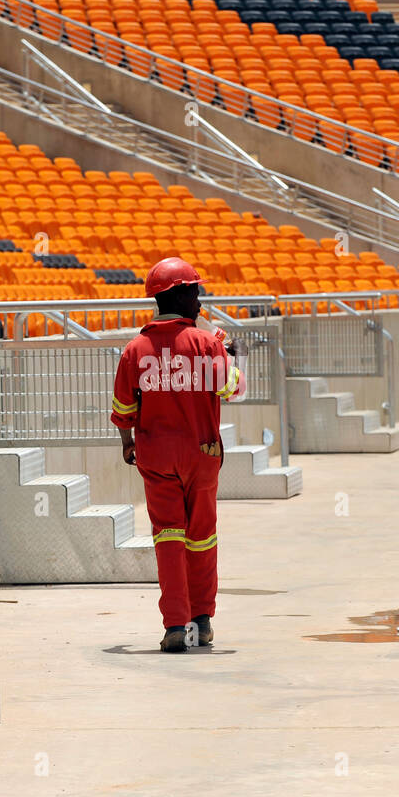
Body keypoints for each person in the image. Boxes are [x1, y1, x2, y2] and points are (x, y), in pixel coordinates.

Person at [110, 257, 244, 653]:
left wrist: (127, 444)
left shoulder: (135, 350)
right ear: (181, 294)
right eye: (196, 291)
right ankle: (201, 622)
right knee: (201, 537)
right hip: (202, 455)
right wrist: (234, 355)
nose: (200, 299)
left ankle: (175, 626)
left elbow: (123, 409)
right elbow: (233, 390)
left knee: (168, 537)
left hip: (155, 457)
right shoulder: (207, 343)